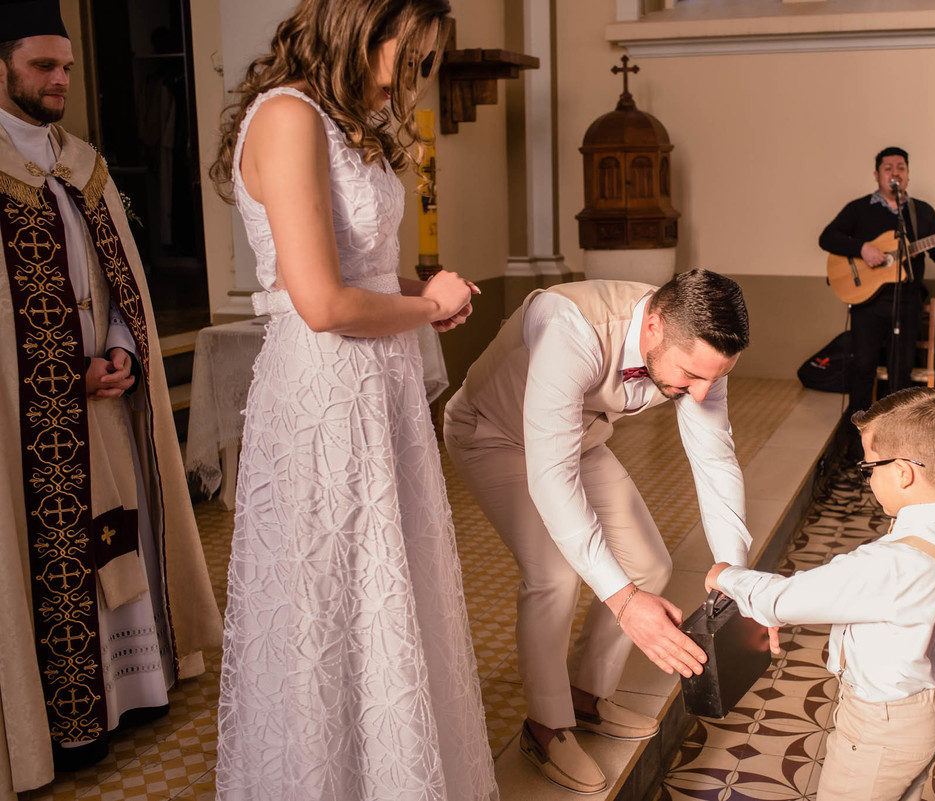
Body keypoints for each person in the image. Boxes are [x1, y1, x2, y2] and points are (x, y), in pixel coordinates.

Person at [208, 1, 496, 798]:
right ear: (359, 28)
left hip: (378, 387)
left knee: (385, 590)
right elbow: (323, 303)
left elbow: (357, 272)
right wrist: (427, 308)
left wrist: (420, 291)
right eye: (413, 54)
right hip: (325, 393)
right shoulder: (288, 117)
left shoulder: (341, 122)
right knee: (328, 603)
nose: (416, 76)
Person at [0, 3, 222, 797]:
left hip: (108, 403)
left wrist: (124, 348)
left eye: (66, 66)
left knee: (121, 531)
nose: (60, 80)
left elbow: (118, 279)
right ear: (1, 66)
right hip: (31, 424)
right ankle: (66, 720)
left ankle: (135, 686)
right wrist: (66, 373)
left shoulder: (81, 166)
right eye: (42, 67)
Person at [444, 270, 764, 794]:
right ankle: (546, 727)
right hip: (493, 435)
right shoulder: (571, 327)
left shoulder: (701, 350)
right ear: (655, 327)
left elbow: (714, 458)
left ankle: (584, 695)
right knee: (553, 576)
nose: (703, 391)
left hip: (577, 438)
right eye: (691, 376)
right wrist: (624, 602)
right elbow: (551, 479)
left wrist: (733, 571)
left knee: (650, 565)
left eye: (715, 378)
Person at [706, 387, 935, 801]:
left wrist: (727, 575)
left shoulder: (891, 563)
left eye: (869, 467)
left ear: (903, 473)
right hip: (934, 709)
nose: (868, 479)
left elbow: (782, 599)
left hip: (880, 729)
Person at [819, 146, 935, 458]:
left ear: (908, 174)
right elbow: (826, 237)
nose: (895, 173)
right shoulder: (859, 209)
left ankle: (896, 445)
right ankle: (857, 446)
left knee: (901, 373)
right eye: (888, 168)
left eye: (901, 168)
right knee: (862, 368)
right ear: (877, 175)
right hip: (867, 302)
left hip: (907, 302)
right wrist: (862, 249)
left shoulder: (921, 212)